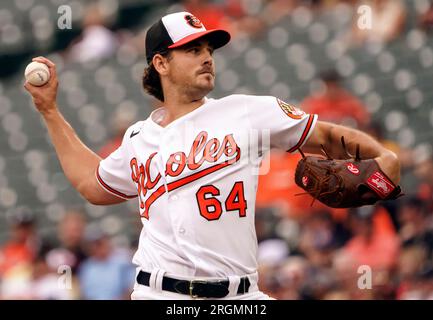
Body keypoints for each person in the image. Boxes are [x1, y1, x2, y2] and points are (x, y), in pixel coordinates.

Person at [24, 11, 400, 300]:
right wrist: (50, 112)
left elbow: (327, 135)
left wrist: (382, 155)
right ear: (161, 63)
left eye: (208, 50)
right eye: (192, 50)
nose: (206, 57)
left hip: (239, 295)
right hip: (159, 292)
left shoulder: (246, 111)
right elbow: (93, 184)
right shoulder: (139, 137)